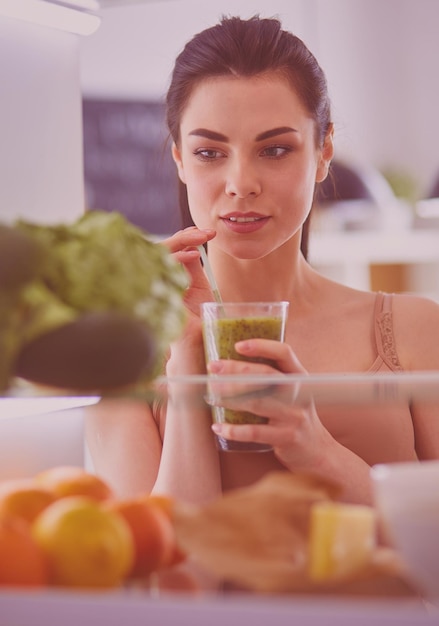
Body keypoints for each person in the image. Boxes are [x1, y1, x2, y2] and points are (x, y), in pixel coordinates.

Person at [85, 15, 439, 509]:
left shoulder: (416, 330)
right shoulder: (128, 369)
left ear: (323, 152)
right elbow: (172, 580)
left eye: (274, 149)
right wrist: (187, 363)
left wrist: (315, 449)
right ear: (180, 161)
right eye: (210, 152)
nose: (241, 183)